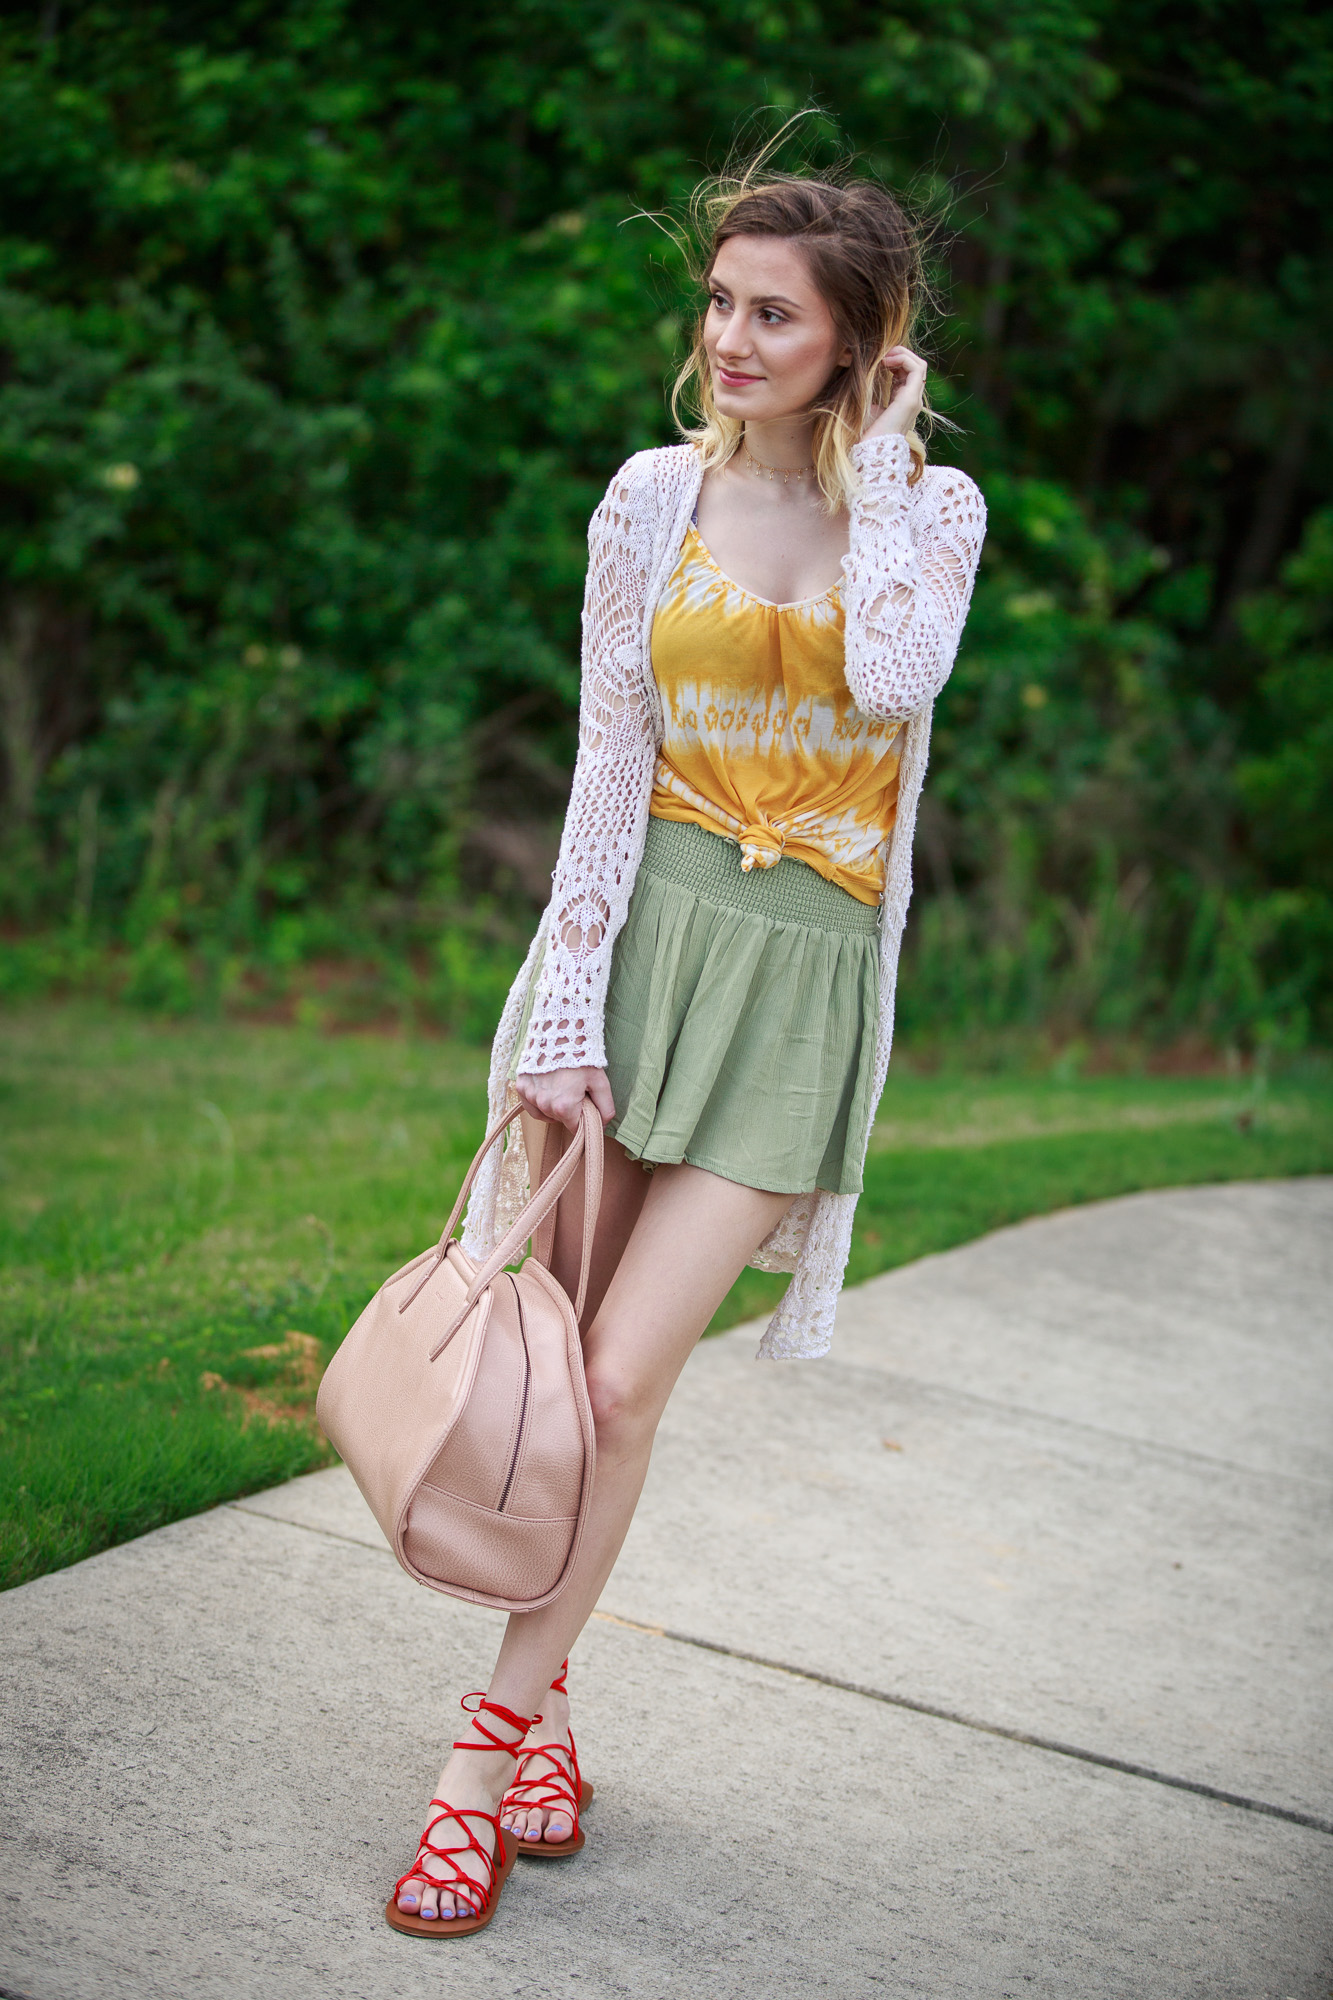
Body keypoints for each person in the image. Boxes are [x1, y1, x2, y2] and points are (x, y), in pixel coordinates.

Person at [389, 165, 987, 1934]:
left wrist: (874, 465)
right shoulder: (650, 499)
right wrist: (563, 1005)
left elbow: (891, 681)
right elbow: (602, 771)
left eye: (773, 313)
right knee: (551, 1371)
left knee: (621, 1385)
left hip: (795, 989)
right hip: (638, 946)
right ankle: (553, 1707)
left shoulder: (932, 515)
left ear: (856, 342)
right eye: (719, 303)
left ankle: (479, 1763)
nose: (729, 338)